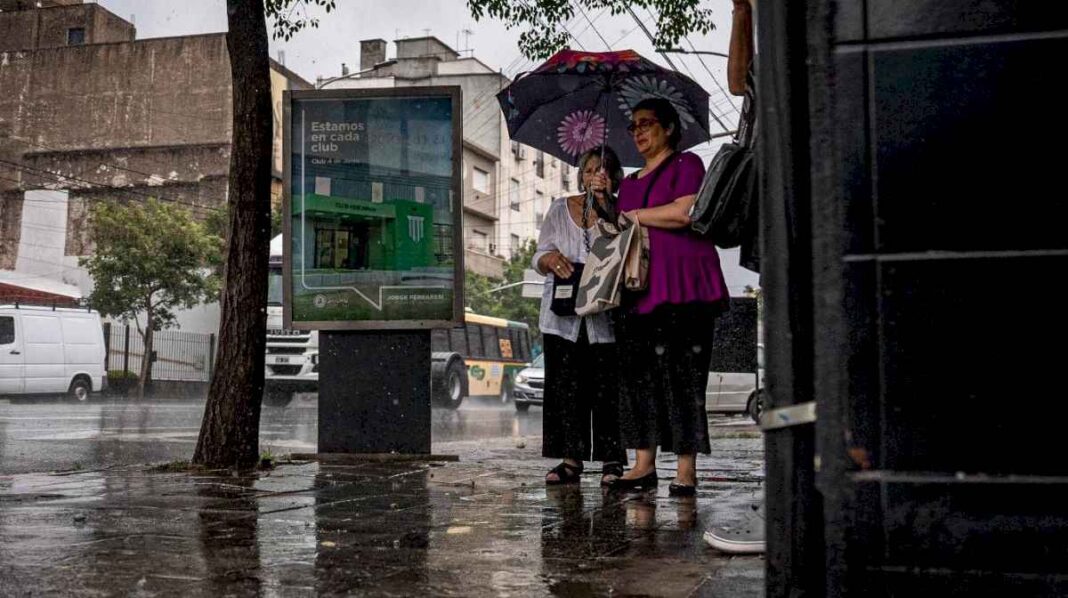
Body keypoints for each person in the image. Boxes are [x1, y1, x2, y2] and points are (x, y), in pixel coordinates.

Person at [601, 98, 730, 497]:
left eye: (647, 124)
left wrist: (635, 215)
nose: (638, 132)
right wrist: (606, 201)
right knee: (639, 379)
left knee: (684, 379)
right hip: (639, 291)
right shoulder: (630, 184)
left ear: (670, 128)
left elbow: (685, 212)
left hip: (685, 288)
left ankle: (686, 469)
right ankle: (643, 464)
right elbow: (618, 231)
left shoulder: (687, 165)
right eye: (633, 126)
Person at [532, 146, 628, 486]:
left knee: (606, 389)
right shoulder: (560, 209)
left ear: (615, 178)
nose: (594, 177)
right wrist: (551, 260)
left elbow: (624, 248)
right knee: (565, 388)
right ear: (580, 176)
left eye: (602, 171)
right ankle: (570, 460)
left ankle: (611, 460)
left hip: (605, 317)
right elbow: (539, 255)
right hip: (563, 317)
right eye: (589, 171)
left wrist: (605, 209)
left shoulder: (620, 211)